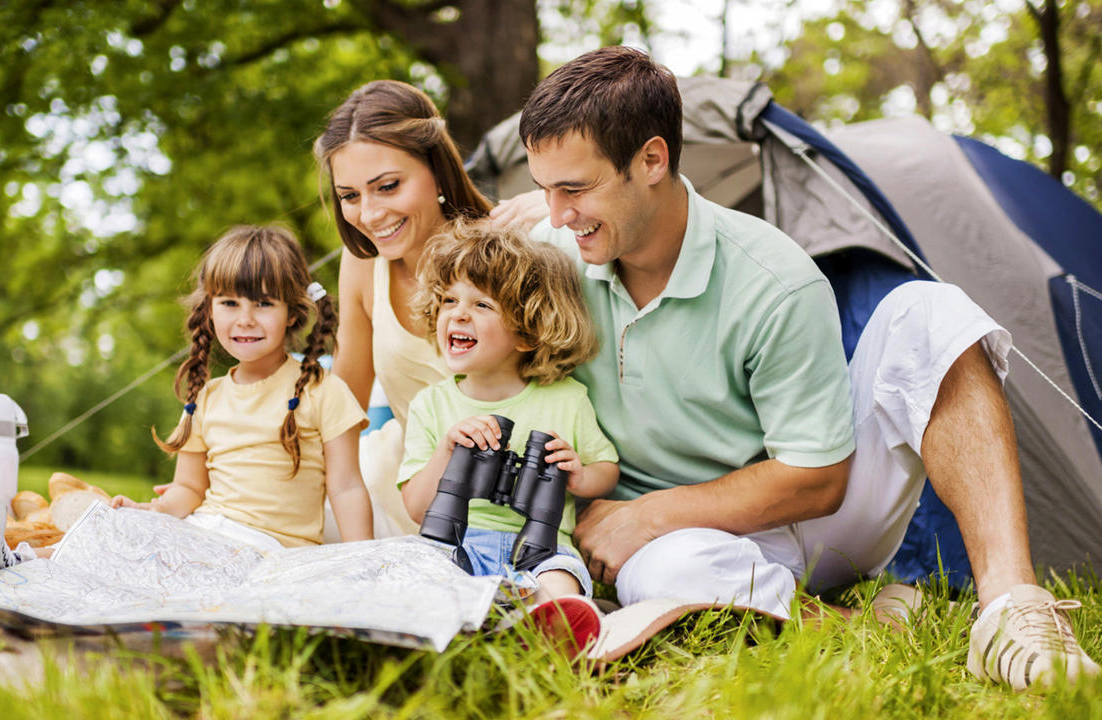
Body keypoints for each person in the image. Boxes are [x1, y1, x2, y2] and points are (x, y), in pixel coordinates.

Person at [513, 45, 1098, 689]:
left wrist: (648, 514)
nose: (557, 214)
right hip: (692, 553)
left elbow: (819, 480)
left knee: (929, 310)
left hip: (817, 518)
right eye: (544, 190)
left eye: (575, 188)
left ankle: (1014, 611)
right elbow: (454, 281)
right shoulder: (552, 255)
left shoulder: (773, 277)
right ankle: (862, 622)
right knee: (662, 573)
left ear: (652, 159)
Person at [397, 219, 619, 652]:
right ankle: (472, 627)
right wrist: (448, 449)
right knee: (418, 568)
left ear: (526, 332)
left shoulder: (567, 399)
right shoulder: (432, 406)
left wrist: (579, 475)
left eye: (482, 305)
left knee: (561, 577)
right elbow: (416, 509)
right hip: (455, 542)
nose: (458, 314)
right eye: (448, 301)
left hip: (542, 545)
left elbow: (606, 469)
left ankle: (547, 624)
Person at [112, 225, 373, 552]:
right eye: (230, 303)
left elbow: (346, 487)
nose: (246, 319)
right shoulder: (206, 398)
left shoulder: (323, 391)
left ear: (291, 313)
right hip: (206, 535)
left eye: (263, 304)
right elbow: (189, 488)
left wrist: (364, 560)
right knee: (107, 541)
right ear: (209, 309)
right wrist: (154, 511)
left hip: (273, 554)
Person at [313, 80, 495, 538]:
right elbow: (344, 407)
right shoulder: (362, 266)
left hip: (502, 496)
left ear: (436, 168)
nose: (370, 214)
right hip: (403, 483)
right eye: (350, 195)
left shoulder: (502, 253)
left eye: (388, 186)